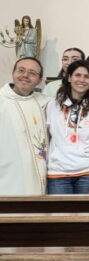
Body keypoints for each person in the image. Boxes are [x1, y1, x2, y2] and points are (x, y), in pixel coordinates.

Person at [46, 60, 89, 194]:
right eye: (77, 75)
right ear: (69, 78)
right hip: (57, 173)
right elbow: (45, 140)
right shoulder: (52, 106)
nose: (81, 80)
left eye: (86, 76)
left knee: (88, 209)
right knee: (59, 209)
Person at [0, 57, 48, 195]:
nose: (25, 75)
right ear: (13, 73)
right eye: (21, 70)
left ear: (39, 80)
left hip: (38, 176)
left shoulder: (44, 102)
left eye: (32, 73)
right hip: (7, 173)